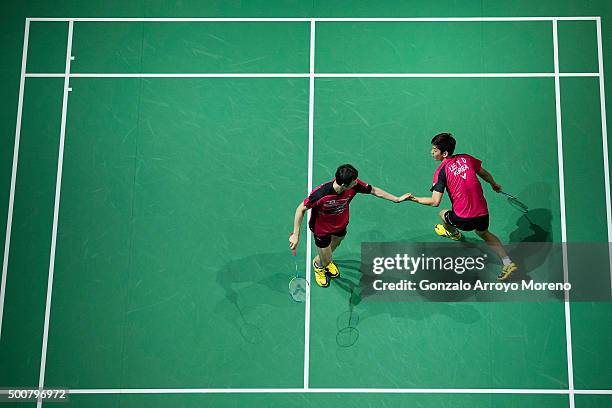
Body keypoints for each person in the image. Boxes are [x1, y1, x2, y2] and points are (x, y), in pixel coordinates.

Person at [403, 133, 518, 281]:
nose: (431, 152)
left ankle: (453, 233)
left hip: (464, 219)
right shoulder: (466, 158)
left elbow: (434, 201)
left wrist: (413, 198)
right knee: (483, 233)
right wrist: (494, 184)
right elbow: (484, 173)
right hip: (483, 214)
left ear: (444, 153)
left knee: (442, 213)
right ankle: (507, 262)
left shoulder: (441, 171)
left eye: (434, 150)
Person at [290, 164, 405, 287]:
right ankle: (318, 265)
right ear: (344, 185)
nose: (357, 182)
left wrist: (396, 199)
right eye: (354, 181)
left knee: (335, 245)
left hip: (340, 224)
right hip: (321, 229)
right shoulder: (321, 194)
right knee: (326, 259)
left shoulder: (353, 186)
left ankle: (326, 261)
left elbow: (373, 190)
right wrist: (296, 234)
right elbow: (300, 209)